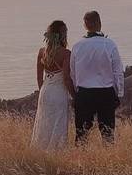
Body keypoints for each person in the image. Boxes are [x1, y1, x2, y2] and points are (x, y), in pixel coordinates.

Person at [70, 10, 124, 143]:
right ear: (99, 23)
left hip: (84, 93)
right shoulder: (110, 44)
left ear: (85, 25)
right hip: (105, 93)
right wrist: (118, 93)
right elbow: (118, 72)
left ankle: (80, 161)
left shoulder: (77, 46)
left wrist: (76, 92)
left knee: (81, 134)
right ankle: (108, 160)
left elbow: (73, 73)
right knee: (108, 133)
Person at [30, 20, 75, 149]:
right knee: (58, 125)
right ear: (62, 35)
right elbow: (66, 78)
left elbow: (39, 78)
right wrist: (74, 95)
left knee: (44, 125)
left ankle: (41, 153)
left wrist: (43, 91)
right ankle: (56, 153)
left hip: (45, 92)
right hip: (59, 94)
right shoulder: (66, 54)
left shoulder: (42, 52)